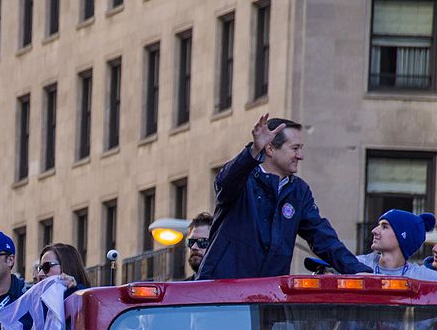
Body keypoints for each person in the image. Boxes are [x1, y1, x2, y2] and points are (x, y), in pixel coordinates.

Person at [196, 114, 371, 279]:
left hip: (268, 297)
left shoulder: (299, 191)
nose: (300, 156)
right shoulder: (243, 179)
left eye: (301, 148)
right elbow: (225, 182)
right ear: (270, 149)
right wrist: (253, 151)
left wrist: (358, 271)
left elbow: (322, 236)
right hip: (222, 295)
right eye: (295, 148)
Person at [356, 210, 437, 279]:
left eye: (384, 227)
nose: (374, 230)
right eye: (379, 225)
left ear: (403, 237)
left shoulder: (424, 277)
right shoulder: (356, 265)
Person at [184, 212, 213, 280]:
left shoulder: (229, 286)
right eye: (191, 242)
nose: (194, 247)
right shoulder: (181, 288)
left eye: (202, 241)